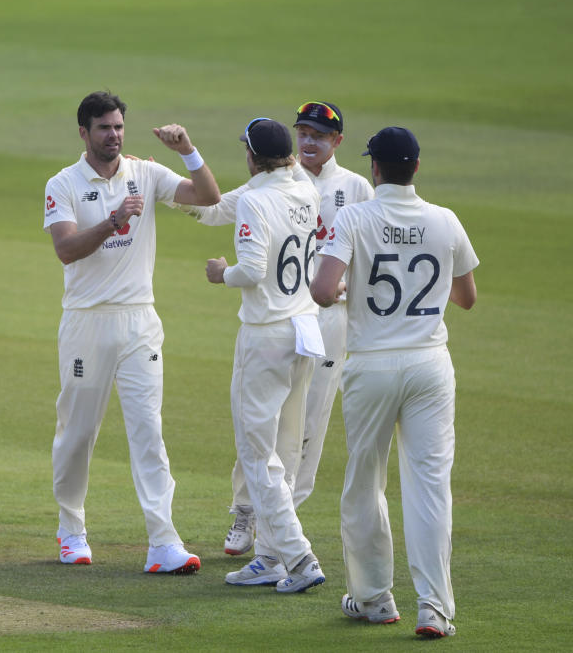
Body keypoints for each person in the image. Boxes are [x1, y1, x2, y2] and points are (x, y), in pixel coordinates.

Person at [181, 102, 374, 557]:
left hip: (323, 319)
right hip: (295, 313)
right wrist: (165, 191)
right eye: (302, 133)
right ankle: (251, 514)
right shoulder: (276, 186)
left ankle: (283, 529)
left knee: (305, 428)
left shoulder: (355, 188)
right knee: (263, 427)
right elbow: (211, 210)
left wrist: (349, 290)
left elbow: (372, 249)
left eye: (319, 135)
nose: (309, 141)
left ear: (337, 142)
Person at [310, 127, 478, 636]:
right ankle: (434, 608)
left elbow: (321, 290)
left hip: (371, 365)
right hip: (430, 365)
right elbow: (466, 296)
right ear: (416, 168)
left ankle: (374, 599)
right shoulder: (445, 220)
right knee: (430, 489)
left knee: (365, 484)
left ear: (375, 169)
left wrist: (346, 288)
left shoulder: (355, 217)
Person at [44, 91, 221, 573]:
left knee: (148, 431)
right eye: (104, 127)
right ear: (84, 132)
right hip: (86, 321)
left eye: (119, 126)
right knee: (77, 433)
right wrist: (114, 220)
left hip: (140, 321)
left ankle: (163, 542)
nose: (114, 135)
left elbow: (208, 197)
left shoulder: (144, 172)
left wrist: (187, 150)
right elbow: (66, 250)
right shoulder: (61, 184)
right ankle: (71, 530)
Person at [205, 118, 326, 593]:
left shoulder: (256, 200)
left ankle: (298, 558)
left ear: (252, 157)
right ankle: (272, 558)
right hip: (304, 329)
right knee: (281, 450)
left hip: (267, 335)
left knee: (258, 454)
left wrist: (221, 273)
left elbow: (252, 270)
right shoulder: (306, 191)